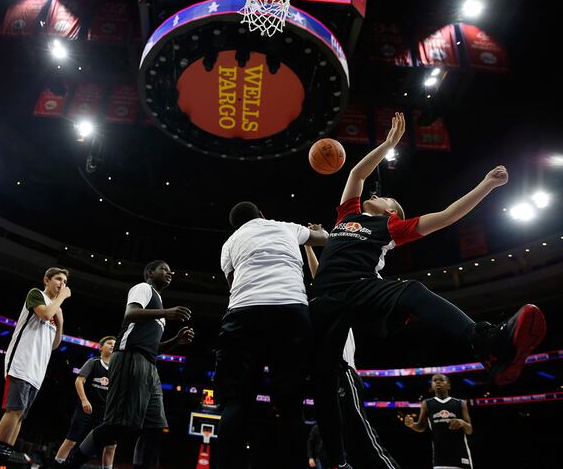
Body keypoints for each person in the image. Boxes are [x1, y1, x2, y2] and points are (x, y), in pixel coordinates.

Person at [309, 112, 547, 468]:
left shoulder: (391, 228)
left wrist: (486, 185)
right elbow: (357, 173)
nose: (378, 194)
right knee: (325, 385)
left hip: (360, 289)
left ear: (393, 211)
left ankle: (488, 343)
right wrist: (387, 144)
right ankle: (337, 460)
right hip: (323, 300)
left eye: (386, 197)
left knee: (413, 290)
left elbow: (449, 214)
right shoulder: (346, 216)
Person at [215, 203, 328, 469]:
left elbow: (233, 287)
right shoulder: (285, 227)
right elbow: (325, 239)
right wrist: (318, 231)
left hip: (244, 313)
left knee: (235, 401)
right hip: (291, 312)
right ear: (263, 214)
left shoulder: (230, 242)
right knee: (291, 406)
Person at [57, 260, 195, 469]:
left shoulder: (158, 305)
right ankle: (71, 464)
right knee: (116, 425)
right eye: (164, 269)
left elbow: (152, 348)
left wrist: (176, 341)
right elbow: (130, 314)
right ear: (150, 272)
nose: (169, 273)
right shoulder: (143, 288)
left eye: (170, 270)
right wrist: (166, 312)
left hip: (149, 365)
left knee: (154, 427)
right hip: (129, 359)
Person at [304, 241, 400, 469]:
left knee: (361, 437)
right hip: (326, 374)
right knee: (343, 446)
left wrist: (310, 247)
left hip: (344, 370)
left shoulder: (345, 292)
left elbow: (320, 275)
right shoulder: (318, 305)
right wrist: (308, 247)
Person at [0, 267, 70, 469]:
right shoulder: (36, 294)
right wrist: (61, 300)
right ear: (46, 280)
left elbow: (55, 343)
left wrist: (61, 321)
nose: (62, 284)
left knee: (20, 415)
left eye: (65, 282)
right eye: (59, 279)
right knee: (13, 410)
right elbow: (44, 314)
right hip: (22, 361)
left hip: (38, 369)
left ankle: (2, 462)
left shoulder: (56, 308)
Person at [54, 336, 117, 468]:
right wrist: (84, 400)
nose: (112, 346)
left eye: (114, 344)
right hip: (86, 408)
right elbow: (79, 381)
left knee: (111, 446)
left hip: (105, 412)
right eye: (109, 343)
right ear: (101, 348)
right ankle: (56, 466)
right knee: (71, 441)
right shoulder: (93, 362)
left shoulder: (117, 369)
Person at [404, 374, 473, 468]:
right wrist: (412, 425)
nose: (438, 382)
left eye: (441, 380)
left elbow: (469, 430)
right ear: (432, 386)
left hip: (460, 454)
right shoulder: (426, 403)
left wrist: (462, 423)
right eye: (434, 380)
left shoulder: (460, 403)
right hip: (439, 457)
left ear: (448, 385)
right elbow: (421, 427)